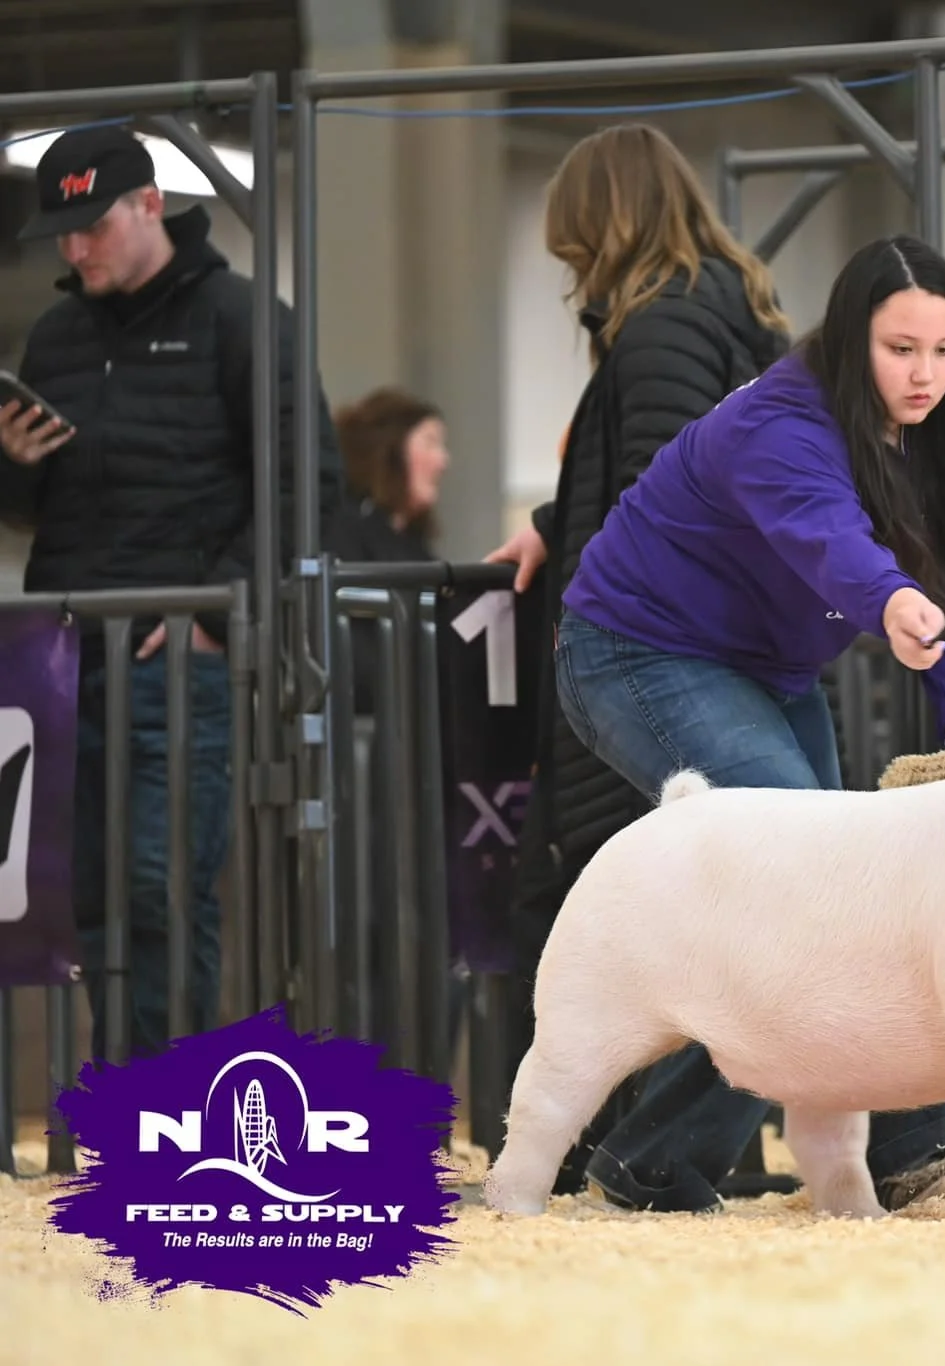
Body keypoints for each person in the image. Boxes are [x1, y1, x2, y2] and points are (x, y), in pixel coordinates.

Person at [550, 231, 945, 1215]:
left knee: (854, 896)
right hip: (636, 649)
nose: (924, 374)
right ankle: (659, 1161)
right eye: (899, 349)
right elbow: (826, 534)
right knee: (808, 897)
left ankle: (908, 1150)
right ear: (850, 342)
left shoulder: (940, 437)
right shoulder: (784, 420)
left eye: (943, 350)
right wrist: (890, 597)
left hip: (766, 669)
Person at [476, 123, 796, 1211]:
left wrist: (597, 593)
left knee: (621, 923)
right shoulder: (733, 317)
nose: (572, 269)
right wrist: (551, 523)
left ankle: (627, 1159)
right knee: (738, 916)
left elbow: (665, 499)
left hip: (655, 652)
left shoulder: (660, 331)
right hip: (724, 653)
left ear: (604, 226)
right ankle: (666, 1155)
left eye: (574, 245)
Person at [0, 124, 342, 1061]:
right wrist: (16, 466)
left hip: (176, 657)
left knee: (160, 885)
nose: (76, 250)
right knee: (85, 889)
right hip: (69, 657)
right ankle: (122, 1095)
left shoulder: (240, 318)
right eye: (61, 234)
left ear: (150, 204)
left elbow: (308, 482)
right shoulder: (57, 336)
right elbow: (30, 509)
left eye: (93, 227)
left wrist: (214, 614)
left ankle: (167, 1099)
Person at [328, 386, 450, 706]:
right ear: (391, 449)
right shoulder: (345, 532)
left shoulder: (412, 542)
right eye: (430, 442)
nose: (443, 461)